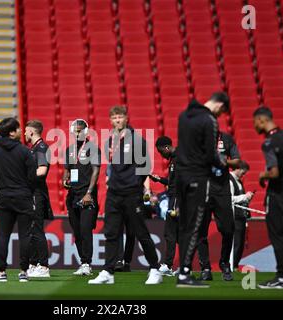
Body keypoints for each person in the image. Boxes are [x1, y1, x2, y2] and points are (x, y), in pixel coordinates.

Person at [88, 105, 162, 285]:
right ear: (110, 120)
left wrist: (142, 188)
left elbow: (145, 167)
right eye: (114, 118)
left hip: (131, 193)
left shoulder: (137, 140)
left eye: (120, 117)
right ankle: (108, 271)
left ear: (126, 118)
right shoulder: (109, 141)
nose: (117, 120)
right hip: (113, 194)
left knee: (140, 232)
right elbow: (112, 167)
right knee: (111, 233)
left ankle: (155, 269)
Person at [175, 92, 229, 288]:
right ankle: (185, 273)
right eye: (222, 110)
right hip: (198, 176)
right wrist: (222, 162)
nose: (220, 114)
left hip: (180, 176)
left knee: (184, 225)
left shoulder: (183, 116)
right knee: (195, 225)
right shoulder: (209, 120)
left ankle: (182, 271)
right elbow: (210, 154)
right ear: (219, 104)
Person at [0, 117, 37, 282]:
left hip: (4, 197)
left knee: (4, 235)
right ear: (12, 132)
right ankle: (23, 271)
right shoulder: (25, 151)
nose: (21, 131)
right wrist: (28, 191)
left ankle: (1, 271)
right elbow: (33, 177)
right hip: (24, 197)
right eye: (18, 129)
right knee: (25, 235)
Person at [253, 106, 283, 289]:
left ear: (262, 120)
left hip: (278, 193)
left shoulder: (269, 142)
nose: (255, 126)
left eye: (255, 122)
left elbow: (274, 172)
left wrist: (262, 175)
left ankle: (281, 276)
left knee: (278, 235)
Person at [197, 131, 241, 282]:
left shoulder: (227, 139)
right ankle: (206, 268)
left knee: (228, 230)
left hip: (222, 191)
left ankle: (224, 263)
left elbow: (237, 161)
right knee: (201, 231)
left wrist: (223, 161)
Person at [62, 119, 100, 276]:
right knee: (77, 232)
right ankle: (83, 262)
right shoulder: (69, 150)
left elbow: (96, 171)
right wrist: (65, 179)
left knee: (85, 230)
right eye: (75, 131)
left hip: (86, 194)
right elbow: (67, 169)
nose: (77, 133)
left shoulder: (92, 148)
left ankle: (87, 263)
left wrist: (89, 193)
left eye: (80, 130)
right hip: (73, 194)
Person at [24, 120, 53, 278]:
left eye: (26, 131)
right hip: (31, 193)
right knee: (32, 231)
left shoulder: (41, 148)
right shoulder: (33, 148)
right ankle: (34, 264)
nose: (24, 134)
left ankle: (44, 266)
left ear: (32, 132)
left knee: (37, 230)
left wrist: (24, 178)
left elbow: (42, 171)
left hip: (37, 194)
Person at [149, 135, 179, 277]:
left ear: (166, 147)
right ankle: (185, 266)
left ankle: (168, 265)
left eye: (161, 151)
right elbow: (173, 182)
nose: (161, 155)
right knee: (176, 234)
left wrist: (176, 205)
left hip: (176, 200)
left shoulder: (178, 159)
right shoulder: (175, 159)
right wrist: (160, 179)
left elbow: (178, 184)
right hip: (176, 198)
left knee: (170, 233)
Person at [229, 161, 254, 269]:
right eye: (243, 173)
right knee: (237, 242)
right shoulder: (229, 180)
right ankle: (231, 265)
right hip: (234, 216)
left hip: (241, 217)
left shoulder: (238, 181)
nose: (243, 175)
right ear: (238, 168)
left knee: (240, 243)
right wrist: (245, 197)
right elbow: (229, 199)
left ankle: (234, 265)